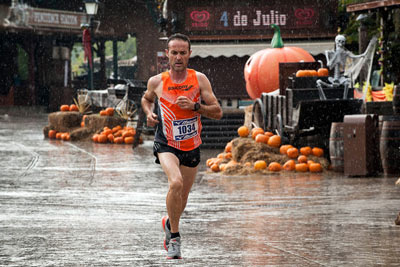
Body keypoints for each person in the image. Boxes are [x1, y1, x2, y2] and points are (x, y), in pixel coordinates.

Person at [141, 33, 223, 259]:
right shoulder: (157, 81)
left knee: (182, 197)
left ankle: (169, 221)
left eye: (182, 53)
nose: (178, 57)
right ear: (167, 54)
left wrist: (195, 107)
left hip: (191, 145)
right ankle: (174, 238)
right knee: (175, 182)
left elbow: (217, 112)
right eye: (174, 52)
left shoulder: (199, 80)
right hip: (165, 142)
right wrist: (149, 113)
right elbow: (146, 99)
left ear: (189, 54)